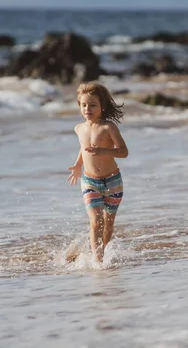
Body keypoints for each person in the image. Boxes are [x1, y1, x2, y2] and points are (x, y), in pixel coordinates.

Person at [67, 81, 128, 263]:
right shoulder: (79, 129)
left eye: (93, 105)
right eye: (84, 105)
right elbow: (83, 148)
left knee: (108, 224)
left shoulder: (108, 127)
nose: (88, 109)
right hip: (90, 181)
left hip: (113, 182)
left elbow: (124, 151)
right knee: (96, 221)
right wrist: (78, 165)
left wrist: (105, 152)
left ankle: (104, 252)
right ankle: (98, 261)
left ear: (102, 106)